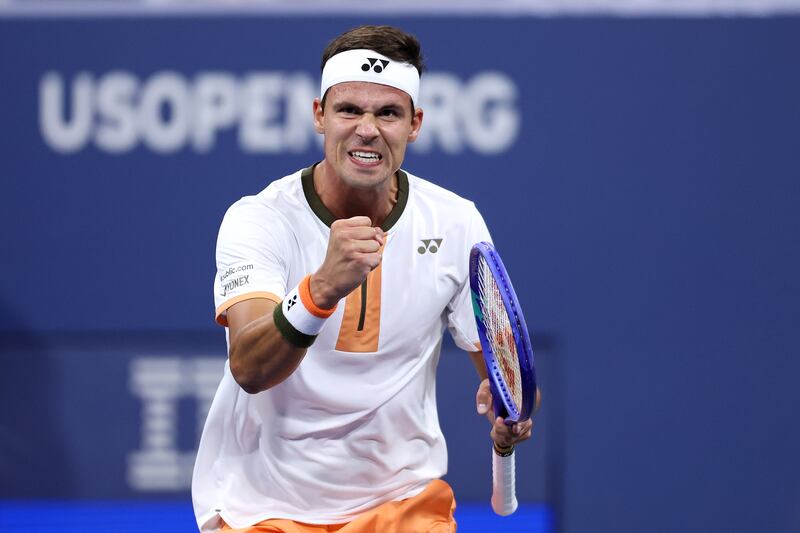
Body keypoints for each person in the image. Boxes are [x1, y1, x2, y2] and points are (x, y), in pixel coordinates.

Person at [192, 25, 536, 533]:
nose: (367, 130)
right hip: (265, 508)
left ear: (415, 124)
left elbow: (509, 381)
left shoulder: (455, 222)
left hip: (403, 504)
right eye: (349, 110)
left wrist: (510, 409)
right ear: (319, 115)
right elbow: (249, 366)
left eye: (388, 113)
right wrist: (320, 290)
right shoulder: (259, 219)